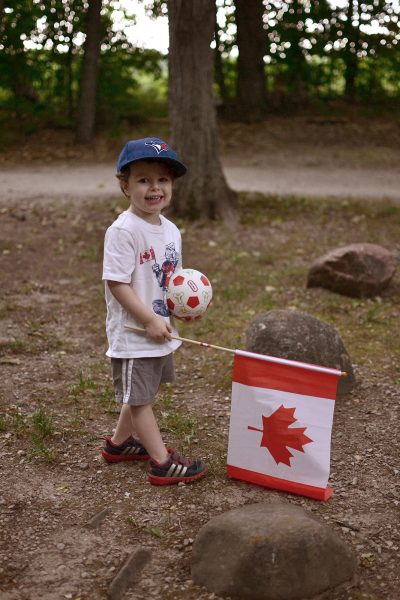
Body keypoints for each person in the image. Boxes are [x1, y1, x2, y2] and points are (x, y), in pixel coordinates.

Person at [101, 137, 207, 485]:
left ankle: (118, 445)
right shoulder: (123, 231)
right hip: (135, 332)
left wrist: (184, 310)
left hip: (160, 326)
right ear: (125, 185)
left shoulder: (171, 230)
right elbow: (117, 284)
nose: (154, 188)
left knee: (142, 392)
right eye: (144, 179)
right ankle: (162, 463)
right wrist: (147, 319)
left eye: (162, 180)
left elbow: (172, 281)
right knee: (140, 398)